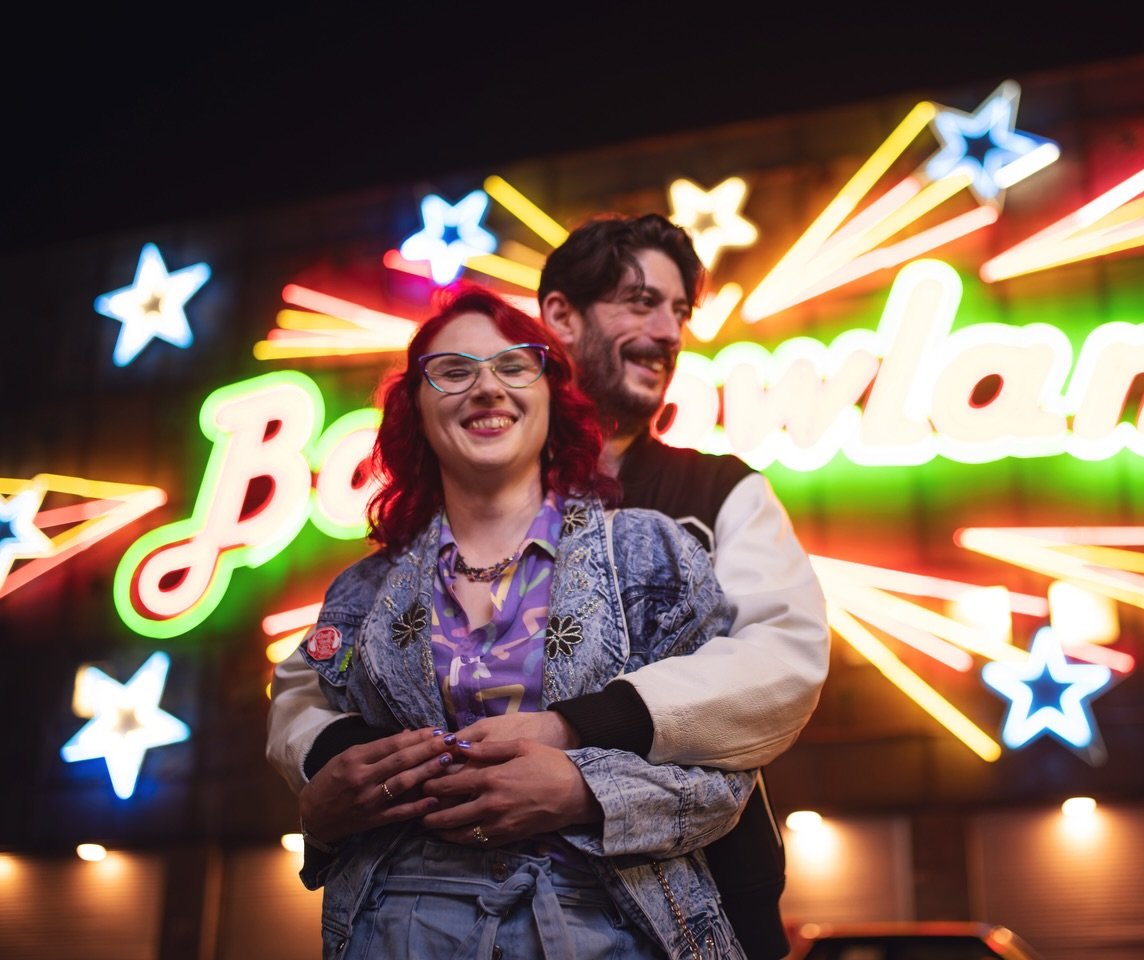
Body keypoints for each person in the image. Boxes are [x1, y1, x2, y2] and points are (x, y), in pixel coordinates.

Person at [268, 214, 830, 957]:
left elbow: (780, 667)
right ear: (559, 319)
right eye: (639, 301)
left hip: (683, 898)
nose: (667, 331)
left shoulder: (712, 495)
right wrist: (345, 764)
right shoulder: (396, 566)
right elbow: (314, 685)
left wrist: (575, 748)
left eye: (679, 311)